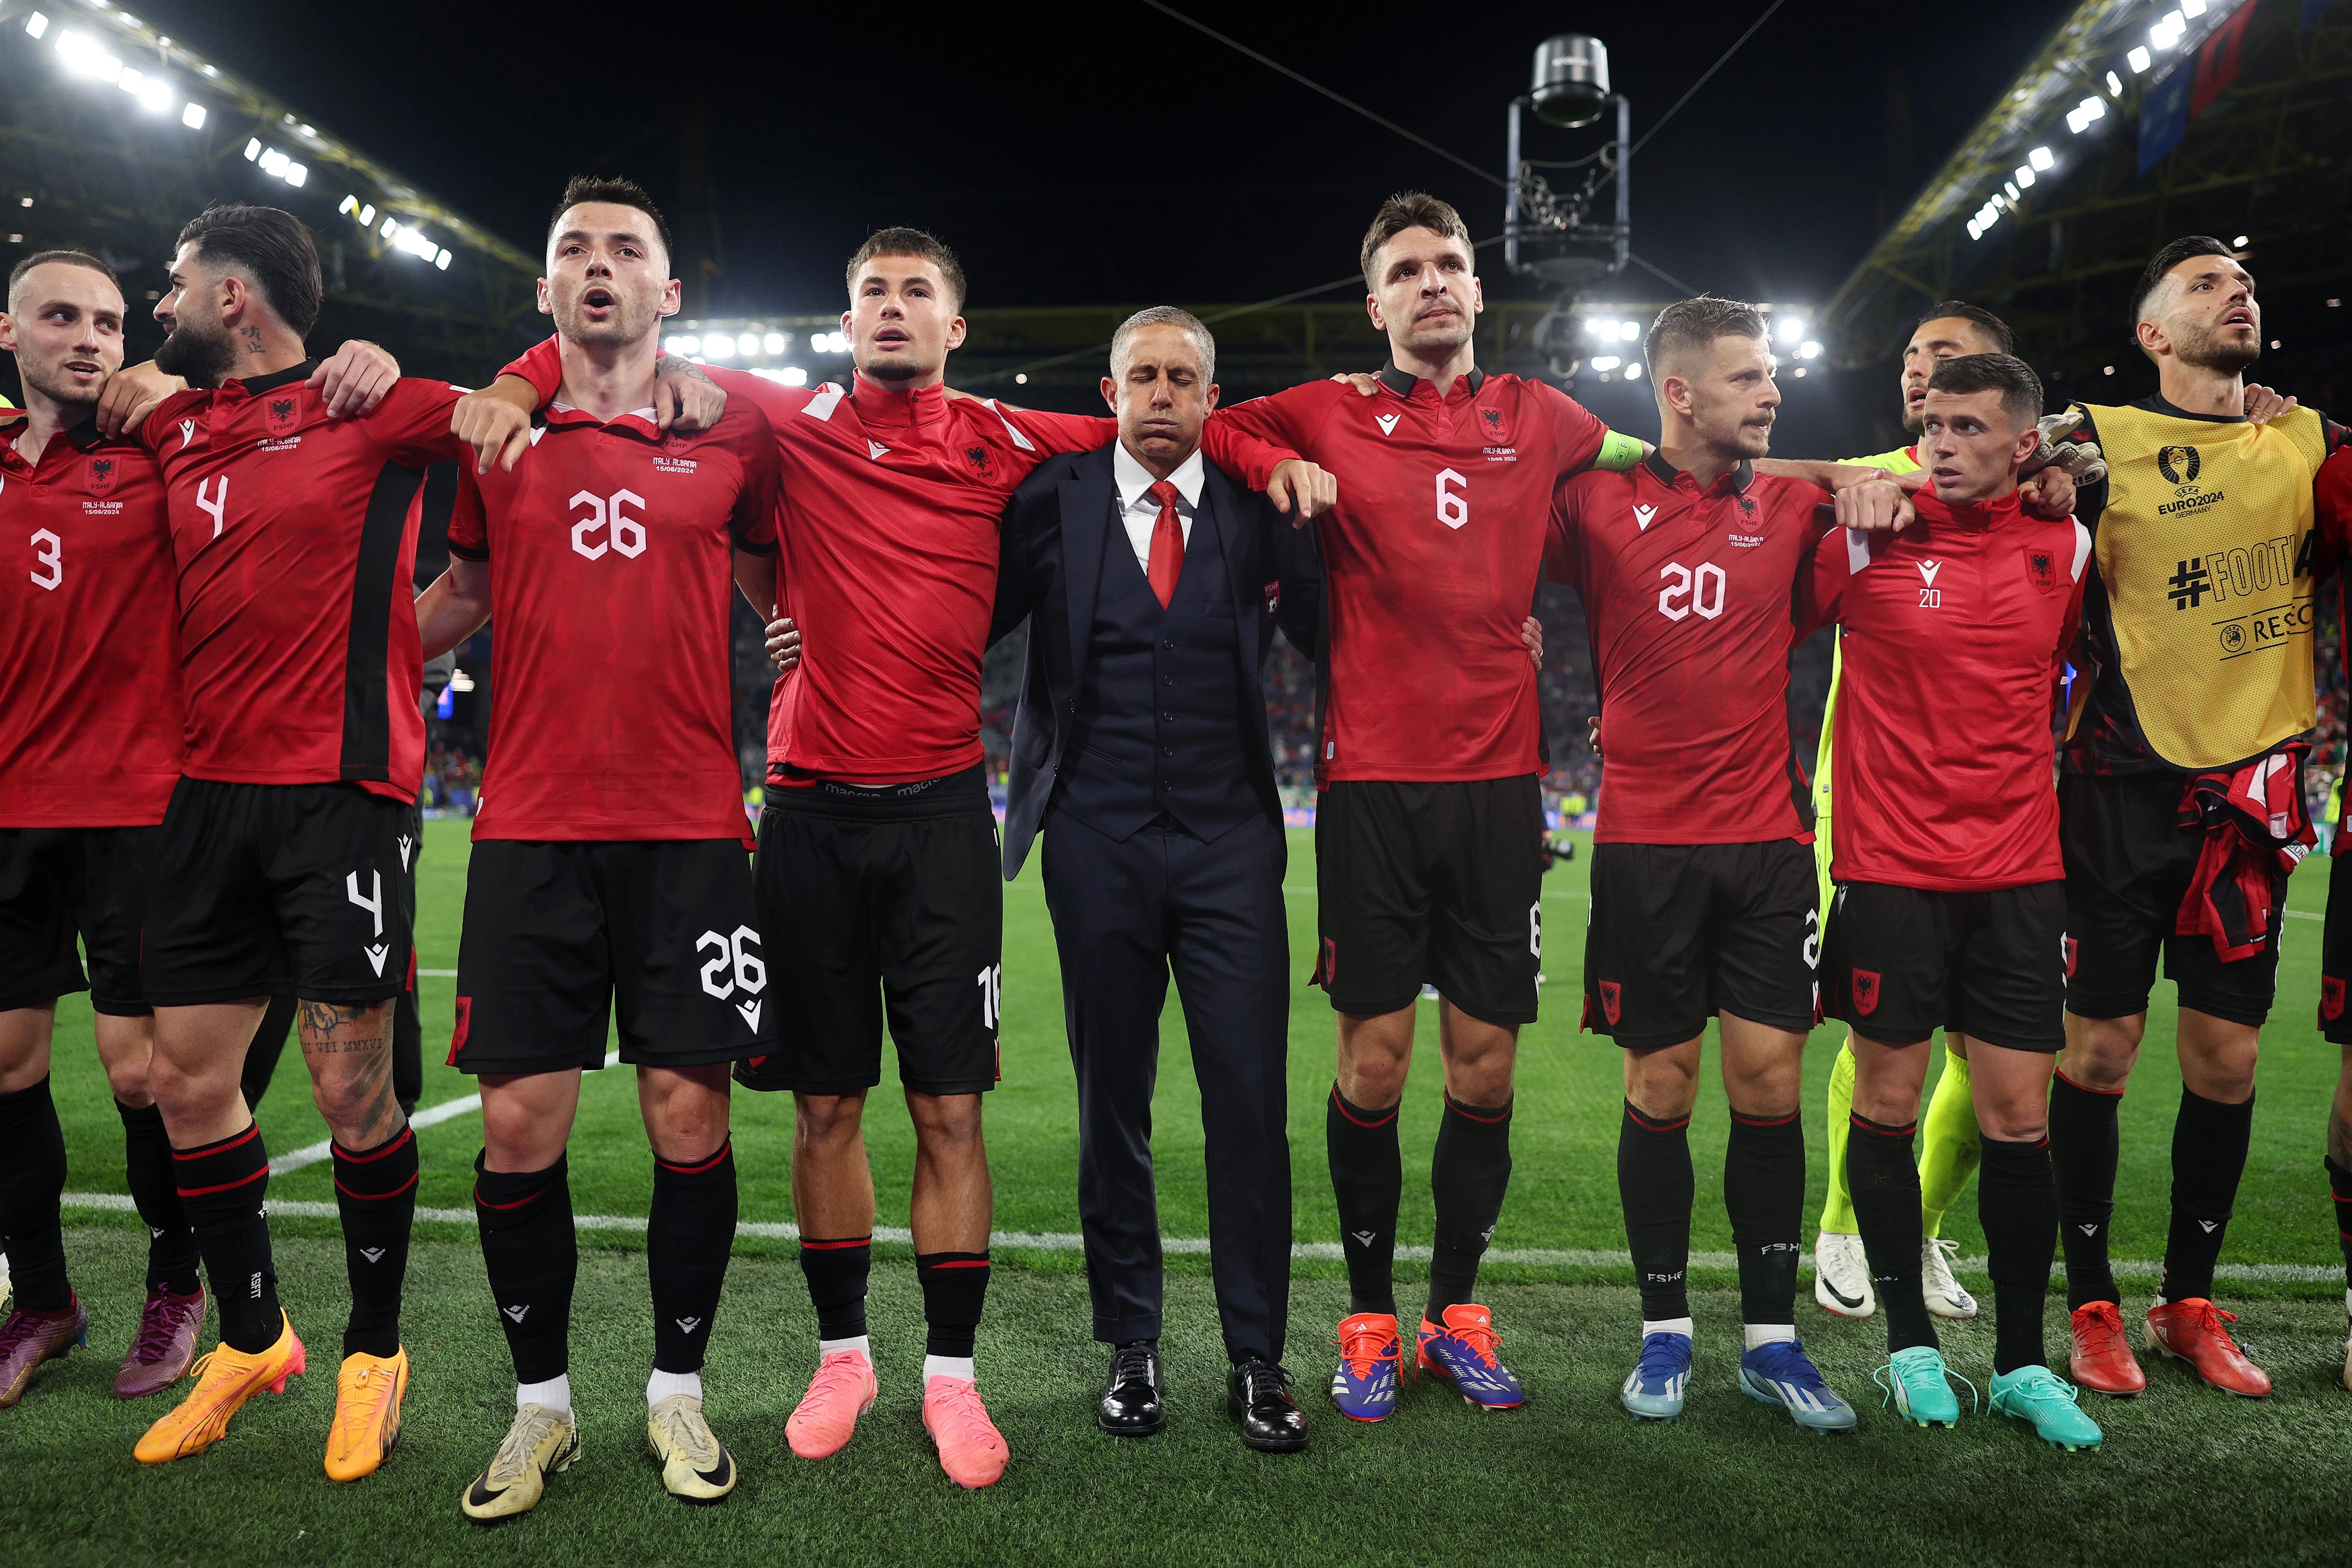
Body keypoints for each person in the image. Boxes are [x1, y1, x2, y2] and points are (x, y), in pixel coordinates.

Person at [472, 226, 1328, 1488]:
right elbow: (617, 351)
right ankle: (842, 1357)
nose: (889, 307)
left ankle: (951, 1379)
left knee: (948, 1107)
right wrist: (514, 382)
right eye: (869, 289)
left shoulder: (1005, 434)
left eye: (914, 291)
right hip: (810, 811)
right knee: (824, 1104)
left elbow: (1177, 430)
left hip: (940, 817)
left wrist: (1275, 449)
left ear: (953, 327)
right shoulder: (789, 414)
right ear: (845, 315)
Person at [413, 178, 781, 1519]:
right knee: (519, 1125)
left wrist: (797, 628)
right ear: (548, 289)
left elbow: (774, 570)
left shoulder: (733, 424)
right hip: (528, 828)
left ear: (669, 292)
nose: (601, 266)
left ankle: (675, 1389)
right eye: (576, 250)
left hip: (690, 825)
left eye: (629, 249)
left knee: (690, 1116)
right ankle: (540, 1411)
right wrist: (337, 670)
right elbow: (461, 593)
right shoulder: (493, 433)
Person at [94, 203, 463, 1477]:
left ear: (237, 298)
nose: (160, 305)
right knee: (186, 1085)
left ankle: (375, 1348)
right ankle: (255, 1340)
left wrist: (394, 369)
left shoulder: (380, 411)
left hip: (339, 797)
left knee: (355, 1095)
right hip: (202, 798)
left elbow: (520, 413)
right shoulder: (170, 421)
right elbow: (93, 384)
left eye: (177, 283)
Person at [1547, 295, 1913, 1431]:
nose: (1771, 392)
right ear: (1678, 392)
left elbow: (1947, 461)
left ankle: (1770, 1338)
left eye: (1771, 374)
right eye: (1748, 377)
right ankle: (1663, 1332)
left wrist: (1883, 482)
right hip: (1644, 848)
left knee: (1766, 1082)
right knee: (1660, 1085)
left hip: (1765, 846)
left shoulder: (1799, 501)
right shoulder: (1592, 500)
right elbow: (1477, 539)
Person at [990, 308, 1323, 1452]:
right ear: (1111, 390)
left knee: (1246, 1106)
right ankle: (1130, 1345)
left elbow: (1334, 631)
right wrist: (798, 632)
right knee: (1110, 1106)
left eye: (1185, 378)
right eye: (1145, 376)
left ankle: (1257, 1358)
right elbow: (952, 622)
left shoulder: (1253, 507)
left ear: (1210, 395)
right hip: (1095, 839)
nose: (1164, 394)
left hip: (1232, 841)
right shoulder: (1053, 501)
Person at [2050, 237, 2343, 1399]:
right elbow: (1970, 469)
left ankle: (2186, 1302)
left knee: (2224, 1061)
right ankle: (2089, 1308)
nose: (2239, 293)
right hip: (2114, 794)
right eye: (2205, 284)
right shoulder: (2095, 442)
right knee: (2100, 1053)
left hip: (2245, 803)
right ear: (2152, 333)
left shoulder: (2309, 441)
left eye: (2247, 283)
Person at [1805, 351, 2103, 1448]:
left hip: (2020, 878)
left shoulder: (2063, 543)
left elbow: (2060, 676)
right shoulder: (1860, 531)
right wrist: (1846, 487)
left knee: (2018, 1118)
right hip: (1887, 872)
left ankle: (2023, 1363)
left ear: (2024, 444)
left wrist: (2076, 472)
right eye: (1928, 422)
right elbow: (1732, 480)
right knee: (1882, 1106)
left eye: (1967, 426)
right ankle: (1907, 1347)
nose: (1938, 441)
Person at [0, 250, 206, 1408]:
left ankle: (177, 1280)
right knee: (6, 1066)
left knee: (141, 1077)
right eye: (63, 316)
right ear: (9, 331)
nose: (91, 336)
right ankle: (43, 1300)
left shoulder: (161, 452)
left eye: (112, 320)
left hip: (138, 808)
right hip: (6, 809)